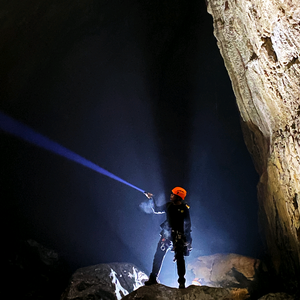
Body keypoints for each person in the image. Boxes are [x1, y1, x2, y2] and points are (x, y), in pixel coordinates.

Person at [143, 187, 192, 289]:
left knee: (179, 258)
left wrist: (188, 241)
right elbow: (156, 209)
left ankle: (181, 283)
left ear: (178, 197)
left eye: (173, 194)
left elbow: (188, 225)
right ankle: (153, 278)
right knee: (158, 255)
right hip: (167, 233)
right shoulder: (168, 205)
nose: (171, 195)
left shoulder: (184, 209)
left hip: (178, 236)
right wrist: (151, 199)